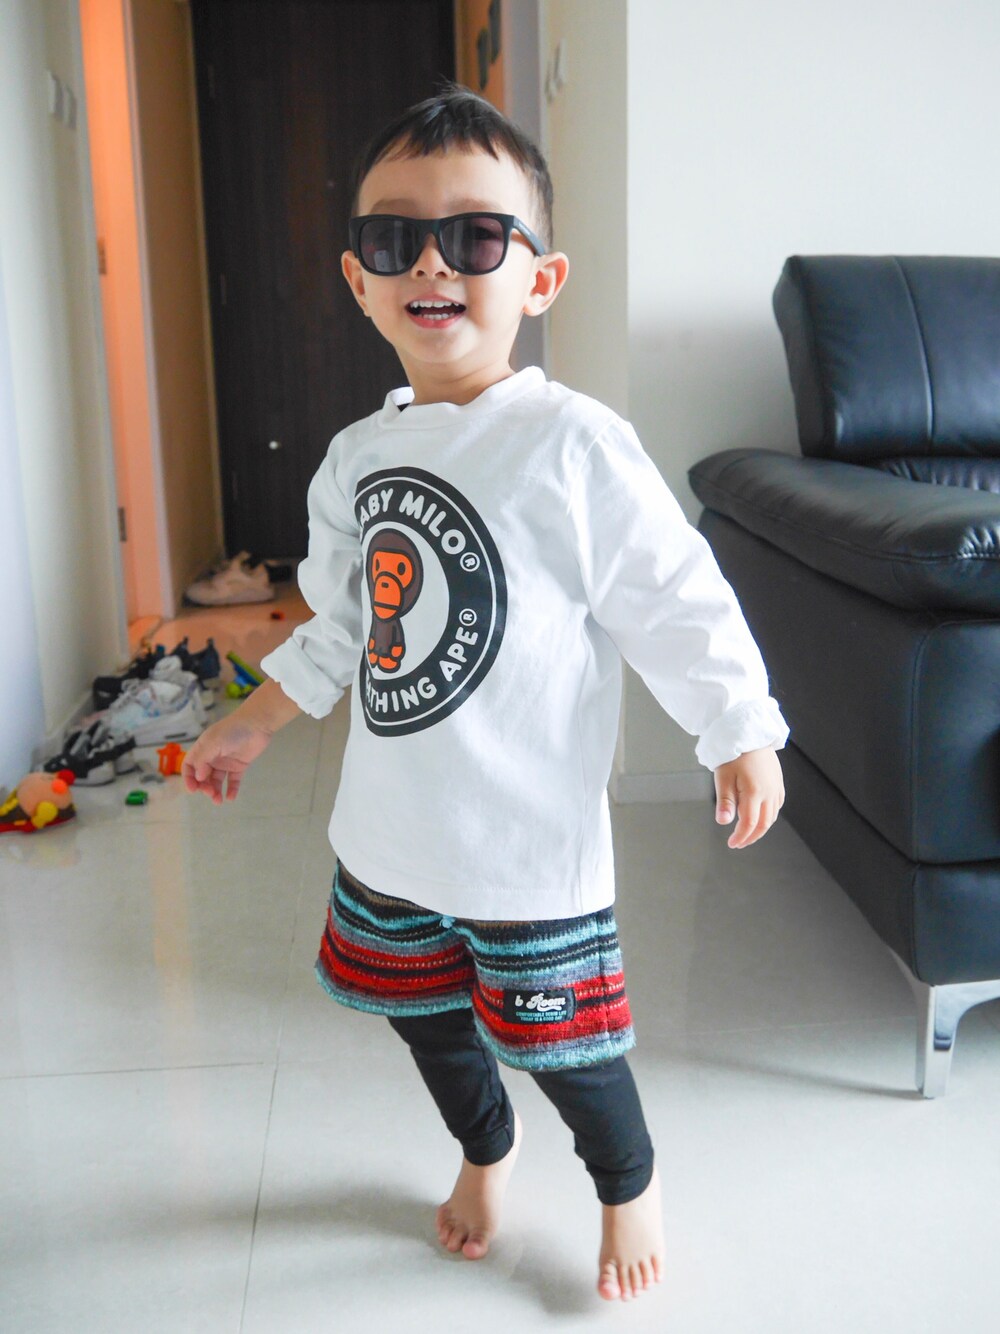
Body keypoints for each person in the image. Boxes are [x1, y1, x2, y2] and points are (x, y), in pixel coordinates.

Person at [182, 85, 788, 1304]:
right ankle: (482, 1149)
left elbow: (674, 595)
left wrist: (736, 726)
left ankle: (625, 1181)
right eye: (393, 236)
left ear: (539, 279)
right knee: (425, 1020)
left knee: (567, 1043)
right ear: (359, 282)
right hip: (392, 839)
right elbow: (341, 624)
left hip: (528, 848)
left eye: (473, 234)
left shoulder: (573, 445)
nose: (431, 261)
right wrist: (249, 722)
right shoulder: (358, 459)